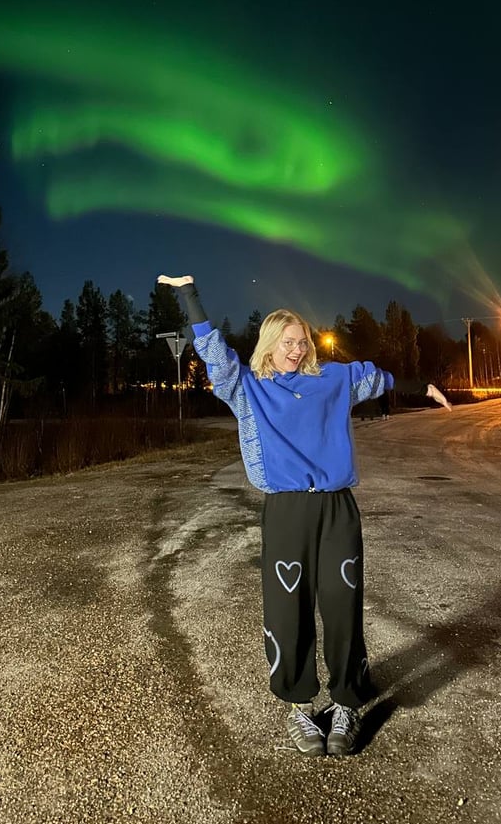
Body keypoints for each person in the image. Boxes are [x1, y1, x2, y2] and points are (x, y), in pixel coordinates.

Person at [158, 274, 451, 757]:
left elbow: (374, 376)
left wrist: (424, 385)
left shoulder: (331, 380)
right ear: (270, 345)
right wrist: (190, 296)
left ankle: (346, 703)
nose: (297, 350)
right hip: (287, 512)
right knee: (287, 610)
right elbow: (214, 354)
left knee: (342, 604)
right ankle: (299, 705)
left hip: (337, 508)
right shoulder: (249, 388)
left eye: (302, 342)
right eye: (287, 343)